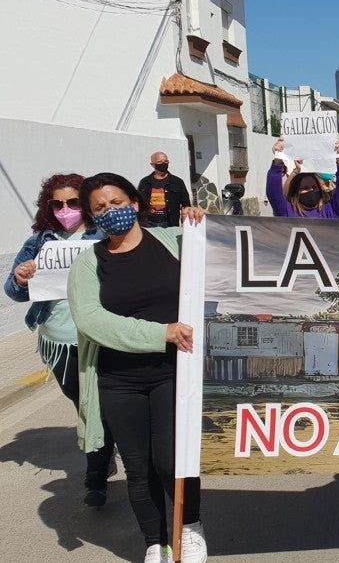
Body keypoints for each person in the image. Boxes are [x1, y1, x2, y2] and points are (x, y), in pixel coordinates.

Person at [67, 173, 208, 563]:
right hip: (118, 381)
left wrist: (200, 222)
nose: (110, 212)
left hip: (171, 374)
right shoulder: (87, 262)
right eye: (99, 208)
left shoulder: (173, 241)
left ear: (134, 202)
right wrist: (158, 332)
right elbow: (92, 321)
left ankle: (190, 527)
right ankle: (154, 541)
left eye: (116, 202)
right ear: (92, 217)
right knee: (138, 468)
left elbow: (219, 257)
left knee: (171, 459)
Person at [5, 173, 116, 507]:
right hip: (58, 341)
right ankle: (103, 450)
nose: (65, 209)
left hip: (99, 337)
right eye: (58, 203)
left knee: (96, 405)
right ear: (48, 206)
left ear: (84, 203)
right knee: (79, 400)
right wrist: (21, 277)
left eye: (72, 202)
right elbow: (13, 291)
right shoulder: (40, 241)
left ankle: (95, 477)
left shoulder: (104, 235)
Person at [267, 143, 339, 219]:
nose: (311, 190)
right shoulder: (286, 211)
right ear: (296, 192)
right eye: (305, 188)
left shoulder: (330, 210)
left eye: (314, 187)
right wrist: (278, 158)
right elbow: (273, 192)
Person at [136, 152, 191, 228]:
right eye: (159, 162)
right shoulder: (144, 182)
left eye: (166, 161)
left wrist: (186, 224)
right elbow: (139, 203)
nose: (163, 164)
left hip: (169, 223)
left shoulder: (177, 182)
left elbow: (186, 205)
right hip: (149, 223)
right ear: (152, 164)